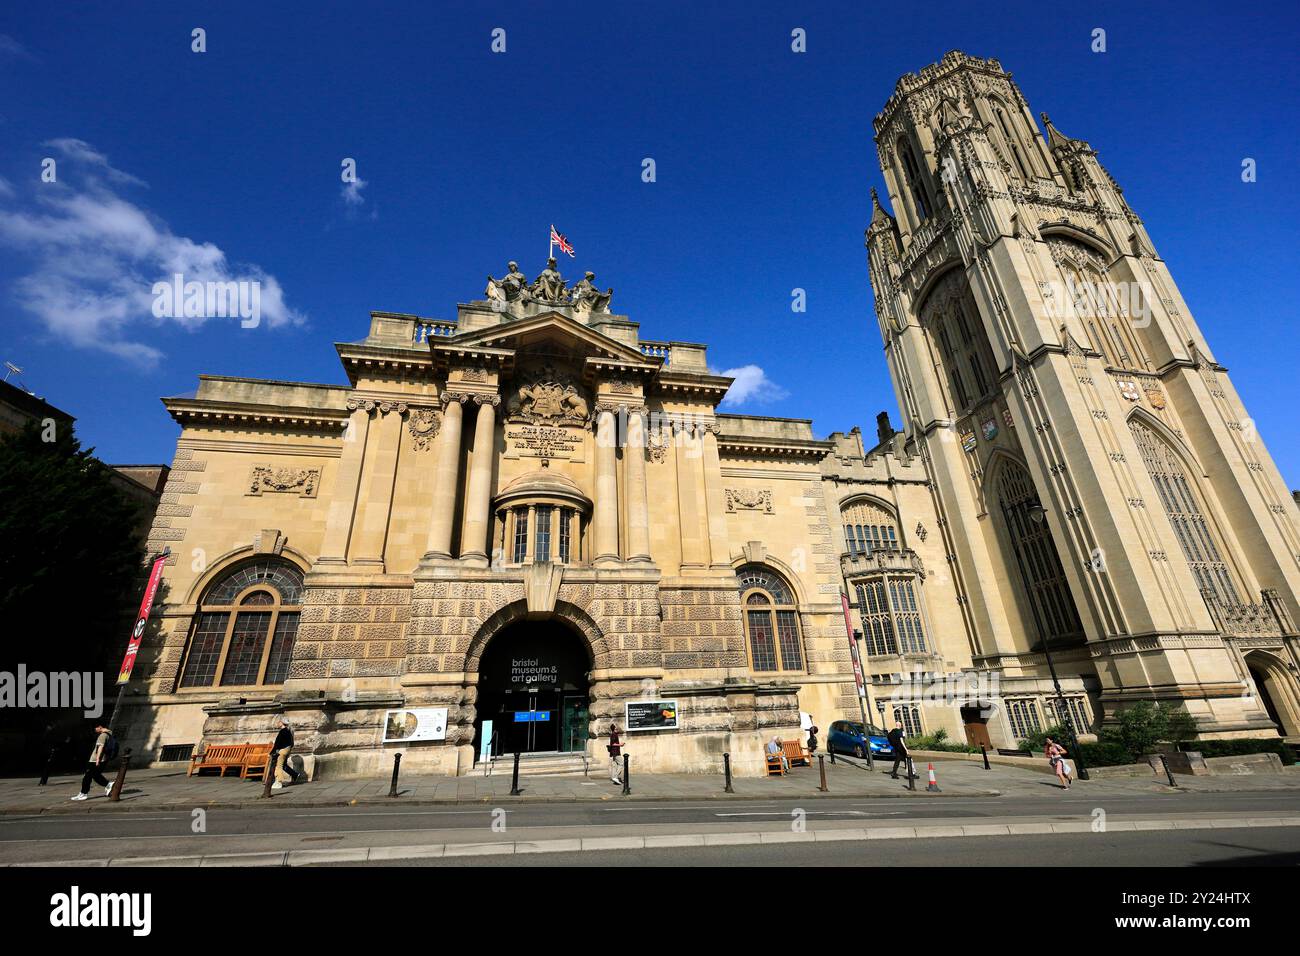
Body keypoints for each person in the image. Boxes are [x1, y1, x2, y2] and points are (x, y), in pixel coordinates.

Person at [71, 723, 115, 801]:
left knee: (87, 777)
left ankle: (83, 794)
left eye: (95, 729)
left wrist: (97, 759)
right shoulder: (110, 733)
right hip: (103, 759)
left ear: (100, 727)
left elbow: (100, 747)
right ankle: (108, 784)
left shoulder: (102, 735)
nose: (95, 731)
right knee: (95, 775)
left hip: (95, 760)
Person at [270, 717, 301, 790]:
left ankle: (279, 782)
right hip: (287, 750)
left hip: (282, 751)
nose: (278, 723)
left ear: (282, 723)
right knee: (283, 765)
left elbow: (277, 743)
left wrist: (272, 752)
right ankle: (295, 775)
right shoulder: (288, 731)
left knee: (279, 766)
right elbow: (291, 743)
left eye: (279, 722)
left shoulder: (282, 731)